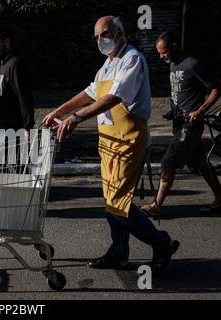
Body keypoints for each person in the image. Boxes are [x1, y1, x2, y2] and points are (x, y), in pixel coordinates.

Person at [43, 16, 179, 274]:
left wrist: (77, 117)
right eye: (96, 37)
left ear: (119, 32)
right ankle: (119, 251)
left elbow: (115, 97)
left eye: (104, 34)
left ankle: (161, 243)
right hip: (108, 143)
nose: (100, 40)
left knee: (119, 204)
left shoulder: (132, 60)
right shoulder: (106, 66)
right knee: (111, 202)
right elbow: (90, 93)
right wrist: (58, 111)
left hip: (128, 141)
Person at [141, 31, 221, 216]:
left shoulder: (192, 64)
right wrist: (172, 109)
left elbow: (217, 87)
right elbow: (180, 91)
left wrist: (201, 110)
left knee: (168, 162)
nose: (161, 56)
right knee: (200, 162)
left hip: (190, 125)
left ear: (175, 46)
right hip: (178, 122)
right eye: (160, 53)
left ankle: (156, 206)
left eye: (164, 52)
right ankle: (219, 197)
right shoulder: (173, 65)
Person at [0, 26, 35, 168]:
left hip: (14, 127)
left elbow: (24, 95)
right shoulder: (4, 63)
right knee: (10, 166)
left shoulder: (14, 64)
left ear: (7, 42)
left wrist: (28, 127)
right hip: (5, 125)